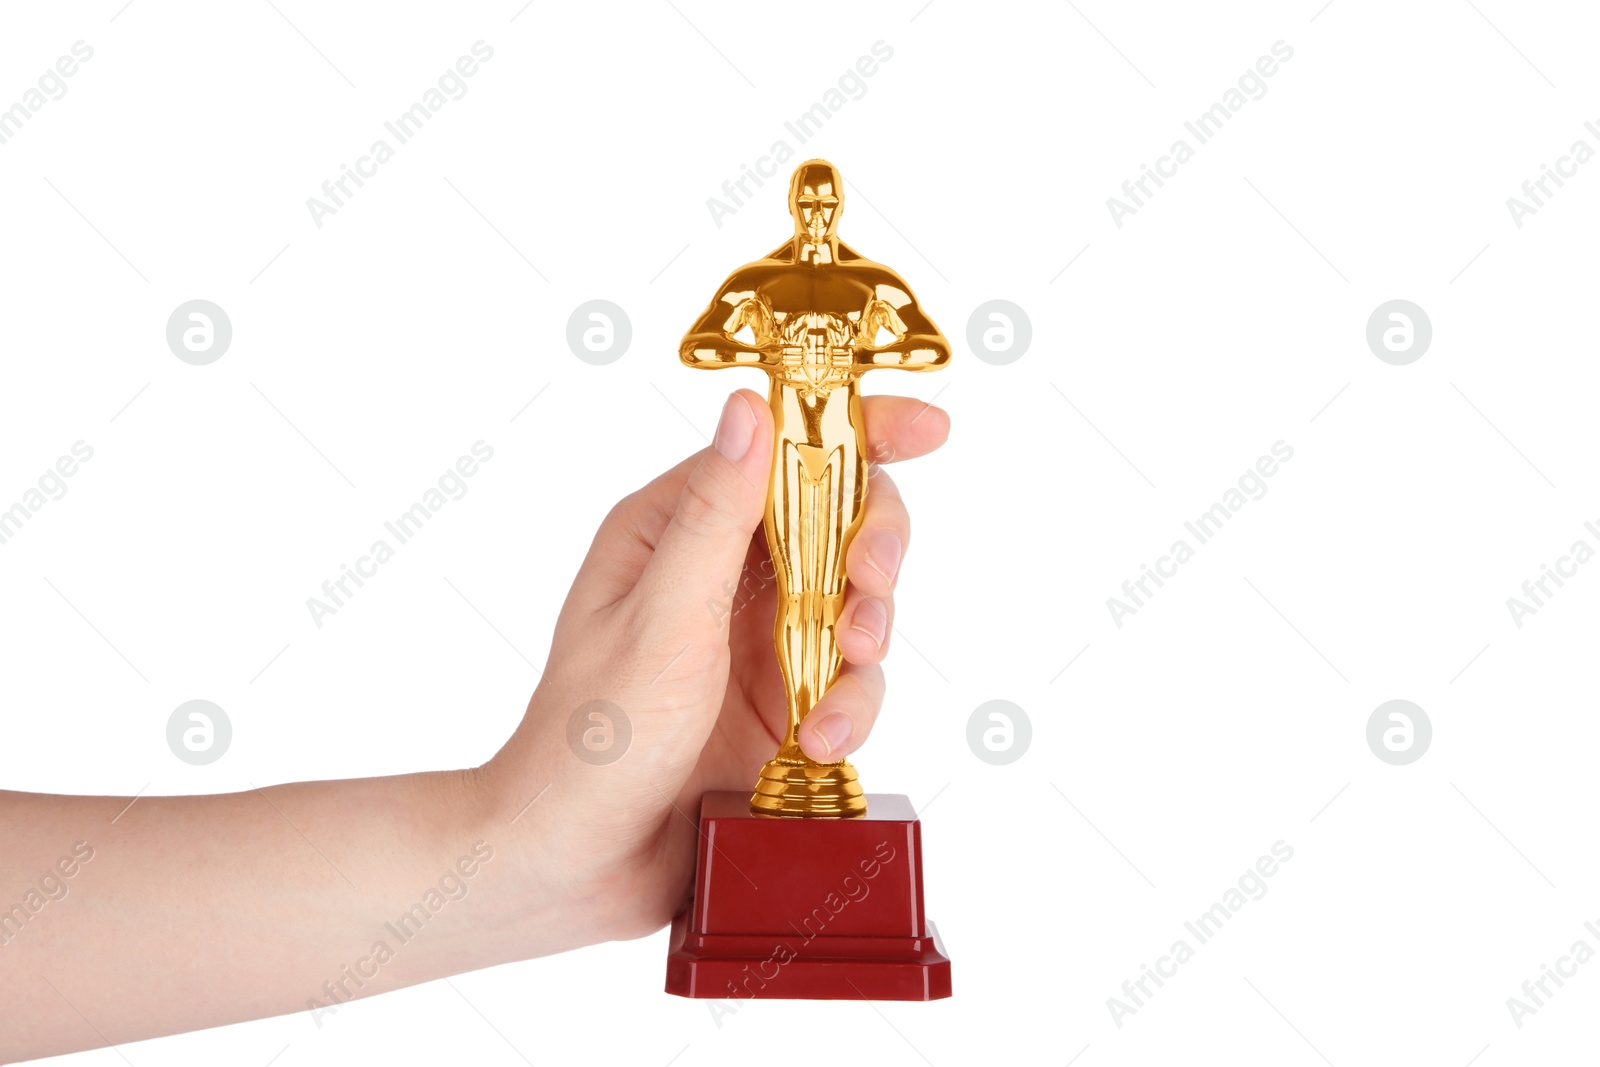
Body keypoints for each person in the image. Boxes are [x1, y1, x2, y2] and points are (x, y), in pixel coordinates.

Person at [0, 386, 949, 1061]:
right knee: (807, 606)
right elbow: (716, 337)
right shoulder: (782, 303)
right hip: (796, 455)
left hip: (819, 475)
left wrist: (519, 843)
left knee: (820, 599)